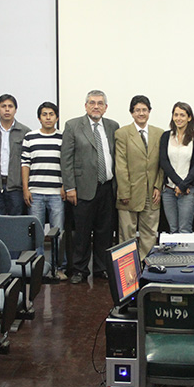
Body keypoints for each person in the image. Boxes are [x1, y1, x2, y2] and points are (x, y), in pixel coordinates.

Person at [61, 90, 119, 284]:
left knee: (104, 232)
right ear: (85, 106)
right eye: (92, 103)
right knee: (83, 233)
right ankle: (79, 269)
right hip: (83, 188)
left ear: (105, 107)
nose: (96, 106)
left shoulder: (112, 126)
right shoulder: (73, 126)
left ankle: (101, 268)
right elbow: (66, 159)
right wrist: (69, 187)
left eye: (100, 103)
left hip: (107, 187)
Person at [115, 95, 164, 260]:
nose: (141, 113)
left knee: (150, 233)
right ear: (132, 113)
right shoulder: (122, 133)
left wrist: (158, 186)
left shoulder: (159, 133)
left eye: (144, 110)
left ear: (149, 111)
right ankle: (128, 269)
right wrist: (124, 192)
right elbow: (120, 165)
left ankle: (147, 267)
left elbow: (162, 163)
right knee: (127, 233)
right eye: (137, 110)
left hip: (152, 193)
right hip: (129, 193)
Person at [21, 102, 66, 279]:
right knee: (37, 232)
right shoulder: (30, 137)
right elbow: (25, 164)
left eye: (51, 114)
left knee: (58, 232)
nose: (48, 117)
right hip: (35, 192)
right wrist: (26, 189)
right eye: (44, 114)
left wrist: (64, 186)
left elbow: (66, 165)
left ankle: (57, 268)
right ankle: (39, 268)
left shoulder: (63, 137)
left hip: (57, 193)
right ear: (39, 117)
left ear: (57, 117)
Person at [159, 102, 194, 234]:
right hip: (169, 191)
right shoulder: (166, 136)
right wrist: (179, 184)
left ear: (189, 118)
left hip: (189, 191)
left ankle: (185, 256)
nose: (178, 118)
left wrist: (183, 186)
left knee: (184, 230)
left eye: (182, 115)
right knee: (172, 230)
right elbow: (164, 162)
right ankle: (174, 256)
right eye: (176, 115)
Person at [0, 94, 31, 215]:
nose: (7, 109)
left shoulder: (25, 132)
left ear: (15, 109)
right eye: (3, 106)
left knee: (15, 224)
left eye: (10, 106)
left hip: (16, 187)